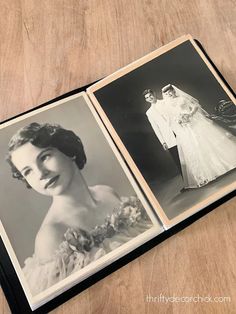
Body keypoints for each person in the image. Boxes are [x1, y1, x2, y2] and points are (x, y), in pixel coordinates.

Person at [6, 122, 152, 295]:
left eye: (44, 157)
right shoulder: (51, 235)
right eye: (28, 171)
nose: (40, 173)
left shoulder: (107, 192)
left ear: (69, 151)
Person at [161, 84, 236, 188]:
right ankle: (206, 174)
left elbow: (195, 106)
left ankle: (225, 165)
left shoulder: (182, 98)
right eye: (166, 93)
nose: (169, 94)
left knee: (206, 142)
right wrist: (178, 120)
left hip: (195, 122)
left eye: (170, 91)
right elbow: (171, 117)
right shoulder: (167, 105)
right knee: (194, 148)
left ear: (174, 91)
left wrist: (190, 114)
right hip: (184, 127)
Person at [143, 89, 183, 176]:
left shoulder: (164, 102)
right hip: (167, 136)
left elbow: (175, 113)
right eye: (147, 98)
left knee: (187, 152)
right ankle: (187, 181)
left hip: (177, 129)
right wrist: (163, 141)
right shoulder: (149, 112)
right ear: (146, 100)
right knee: (177, 158)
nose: (150, 98)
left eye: (150, 95)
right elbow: (155, 128)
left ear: (154, 94)